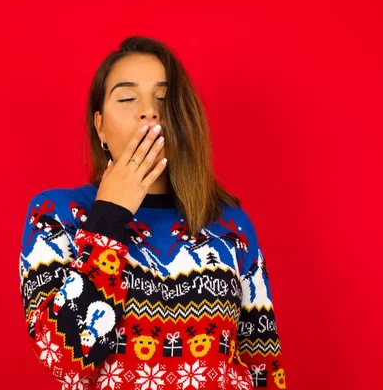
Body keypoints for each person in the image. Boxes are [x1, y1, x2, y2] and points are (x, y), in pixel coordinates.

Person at [18, 36, 287, 390]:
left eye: (163, 99)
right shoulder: (56, 215)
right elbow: (67, 362)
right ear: (99, 125)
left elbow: (262, 369)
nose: (149, 111)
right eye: (127, 98)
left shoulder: (230, 224)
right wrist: (108, 217)